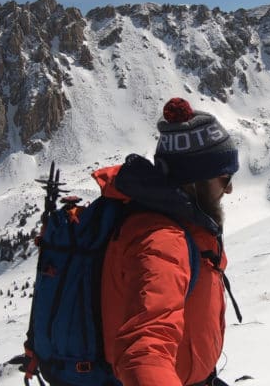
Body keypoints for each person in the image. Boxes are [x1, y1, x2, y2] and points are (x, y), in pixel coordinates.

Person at [91, 97, 240, 386]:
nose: (230, 188)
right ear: (194, 182)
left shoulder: (181, 229)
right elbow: (144, 350)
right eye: (224, 177)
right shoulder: (161, 242)